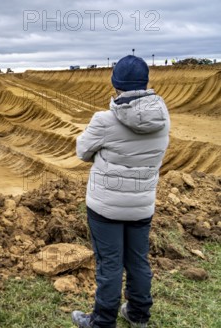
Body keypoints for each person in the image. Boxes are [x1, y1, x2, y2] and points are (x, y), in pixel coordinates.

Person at [72, 55, 170, 328]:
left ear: (115, 84)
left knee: (110, 265)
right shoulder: (162, 118)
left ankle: (102, 321)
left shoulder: (104, 120)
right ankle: (138, 314)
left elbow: (82, 151)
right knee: (138, 261)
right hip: (142, 203)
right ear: (145, 82)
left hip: (106, 206)